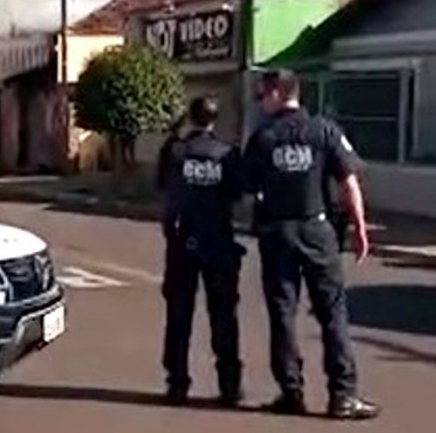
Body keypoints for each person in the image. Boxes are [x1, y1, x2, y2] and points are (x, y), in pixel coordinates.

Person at [242, 69, 379, 420]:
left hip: (277, 234)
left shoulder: (263, 138)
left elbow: (245, 185)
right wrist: (360, 227)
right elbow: (349, 182)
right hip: (317, 230)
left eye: (263, 95)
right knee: (333, 312)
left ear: (277, 94)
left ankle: (291, 392)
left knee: (283, 314)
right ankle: (343, 396)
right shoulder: (324, 130)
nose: (260, 102)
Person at [156, 96, 244, 407]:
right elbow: (236, 195)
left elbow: (164, 192)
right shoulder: (228, 154)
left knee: (178, 316)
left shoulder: (175, 151)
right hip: (218, 241)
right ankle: (230, 385)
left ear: (191, 118)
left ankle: (177, 383)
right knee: (223, 315)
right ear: (215, 120)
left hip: (182, 242)